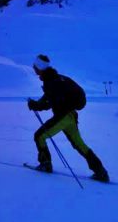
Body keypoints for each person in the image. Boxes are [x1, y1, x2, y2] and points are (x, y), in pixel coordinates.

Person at [28, 54, 109, 182]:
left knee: (39, 136)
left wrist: (35, 105)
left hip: (63, 117)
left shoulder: (51, 81)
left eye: (35, 66)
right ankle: (100, 171)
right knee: (79, 144)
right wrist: (36, 104)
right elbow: (48, 99)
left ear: (40, 67)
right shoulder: (56, 79)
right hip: (70, 116)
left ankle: (46, 164)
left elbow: (48, 103)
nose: (33, 67)